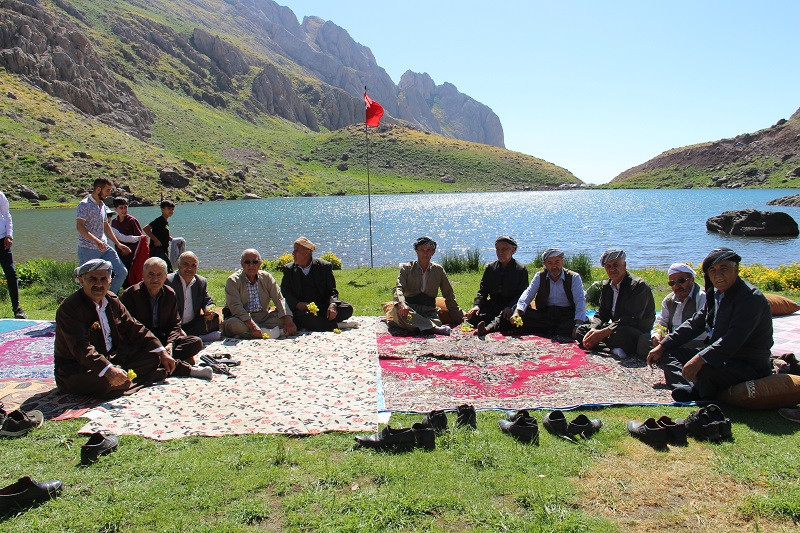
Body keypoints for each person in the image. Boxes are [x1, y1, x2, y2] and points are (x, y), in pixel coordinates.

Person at [647, 247, 773, 402]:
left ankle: (698, 391)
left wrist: (700, 359)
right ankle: (692, 387)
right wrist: (663, 345)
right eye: (712, 270)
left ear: (736, 269)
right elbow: (695, 324)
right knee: (667, 354)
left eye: (723, 268)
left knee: (705, 370)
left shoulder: (750, 299)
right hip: (719, 356)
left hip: (746, 362)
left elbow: (733, 339)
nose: (717, 275)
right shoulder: (716, 294)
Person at [53, 259, 177, 397]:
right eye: (93, 279)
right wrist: (108, 370)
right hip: (79, 368)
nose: (99, 284)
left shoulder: (112, 300)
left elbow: (134, 327)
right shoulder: (70, 308)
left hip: (113, 359)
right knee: (106, 382)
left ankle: (125, 381)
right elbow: (80, 348)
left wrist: (161, 351)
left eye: (103, 279)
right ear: (82, 281)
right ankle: (132, 381)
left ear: (110, 280)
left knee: (154, 357)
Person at [120, 258, 208, 379]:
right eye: (150, 274)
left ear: (165, 276)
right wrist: (157, 348)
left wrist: (170, 344)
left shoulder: (169, 293)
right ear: (143, 275)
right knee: (149, 357)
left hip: (162, 339)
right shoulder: (130, 295)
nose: (155, 279)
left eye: (159, 275)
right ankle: (183, 369)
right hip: (141, 342)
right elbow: (128, 328)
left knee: (195, 342)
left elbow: (174, 323)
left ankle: (161, 363)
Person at [577, 249, 655, 359]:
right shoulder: (607, 286)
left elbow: (631, 318)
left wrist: (603, 333)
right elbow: (602, 313)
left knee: (622, 334)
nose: (612, 269)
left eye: (615, 265)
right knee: (581, 331)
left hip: (634, 329)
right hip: (614, 328)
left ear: (624, 265)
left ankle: (607, 345)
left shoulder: (638, 286)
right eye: (608, 266)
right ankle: (613, 349)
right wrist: (593, 329)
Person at [388, 236, 463, 336]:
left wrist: (457, 315)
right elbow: (398, 288)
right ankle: (433, 328)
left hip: (428, 310)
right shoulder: (407, 268)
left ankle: (419, 326)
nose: (425, 253)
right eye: (422, 250)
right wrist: (401, 303)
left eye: (428, 250)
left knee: (436, 321)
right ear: (416, 251)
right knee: (398, 312)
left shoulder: (438, 270)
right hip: (409, 308)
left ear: (433, 252)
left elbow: (448, 294)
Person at [505, 248, 587, 338]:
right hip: (546, 315)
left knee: (581, 326)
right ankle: (555, 330)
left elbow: (580, 301)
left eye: (557, 262)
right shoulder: (539, 276)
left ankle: (552, 330)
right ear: (545, 265)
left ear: (562, 262)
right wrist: (517, 312)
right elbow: (527, 295)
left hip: (567, 315)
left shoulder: (574, 277)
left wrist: (578, 325)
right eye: (550, 263)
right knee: (518, 311)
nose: (554, 266)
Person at [280, 236, 355, 331]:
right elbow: (285, 292)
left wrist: (333, 305)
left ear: (306, 253)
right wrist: (298, 304)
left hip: (322, 307)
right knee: (303, 318)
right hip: (302, 310)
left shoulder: (324, 266)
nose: (293, 253)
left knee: (347, 308)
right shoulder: (289, 269)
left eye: (296, 250)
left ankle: (319, 323)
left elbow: (332, 290)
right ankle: (337, 325)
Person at [221, 249, 297, 339]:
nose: (251, 265)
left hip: (263, 318)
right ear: (242, 263)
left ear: (260, 263)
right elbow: (236, 307)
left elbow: (279, 299)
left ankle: (254, 333)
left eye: (255, 262)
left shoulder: (267, 277)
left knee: (286, 318)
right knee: (234, 325)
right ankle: (271, 333)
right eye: (247, 262)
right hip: (241, 319)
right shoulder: (233, 281)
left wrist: (287, 319)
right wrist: (251, 325)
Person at [637, 262, 707, 357]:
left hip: (693, 340)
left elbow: (703, 330)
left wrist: (671, 341)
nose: (676, 286)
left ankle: (667, 355)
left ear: (692, 280)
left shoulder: (702, 297)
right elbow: (661, 322)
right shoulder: (668, 300)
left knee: (687, 348)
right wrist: (657, 334)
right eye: (672, 283)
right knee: (644, 340)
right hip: (671, 339)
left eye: (681, 281)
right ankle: (668, 355)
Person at [463, 236, 528, 335]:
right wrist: (477, 306)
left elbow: (522, 294)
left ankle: (487, 329)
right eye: (497, 249)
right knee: (474, 315)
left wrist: (511, 307)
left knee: (505, 318)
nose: (500, 252)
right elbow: (483, 291)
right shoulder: (491, 268)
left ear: (513, 250)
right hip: (494, 304)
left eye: (504, 249)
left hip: (510, 306)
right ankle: (484, 324)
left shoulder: (521, 270)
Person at [76, 178, 131, 294]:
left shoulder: (102, 205)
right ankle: (85, 305)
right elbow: (80, 227)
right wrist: (96, 241)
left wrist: (118, 244)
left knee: (122, 272)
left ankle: (108, 297)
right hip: (88, 249)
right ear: (98, 189)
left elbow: (106, 226)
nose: (109, 193)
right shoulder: (84, 205)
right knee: (87, 280)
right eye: (107, 190)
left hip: (104, 247)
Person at [167, 251, 221, 344]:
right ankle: (195, 338)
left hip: (192, 323)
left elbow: (209, 301)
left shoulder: (201, 282)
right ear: (178, 265)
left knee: (215, 319)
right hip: (173, 325)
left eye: (193, 265)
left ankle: (188, 338)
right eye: (186, 264)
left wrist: (209, 310)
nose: (189, 268)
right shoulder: (168, 281)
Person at [110, 197, 147, 287]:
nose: (124, 210)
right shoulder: (114, 222)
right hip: (119, 254)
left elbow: (140, 239)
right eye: (121, 208)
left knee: (130, 279)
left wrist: (129, 250)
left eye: (125, 207)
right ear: (115, 209)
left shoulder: (132, 221)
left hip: (131, 255)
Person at [0, 190, 26, 318]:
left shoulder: (0, 195)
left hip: (2, 240)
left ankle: (17, 309)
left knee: (10, 273)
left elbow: (7, 215)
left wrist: (9, 235)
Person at [143, 200, 175, 272]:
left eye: (172, 209)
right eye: (169, 209)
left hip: (163, 249)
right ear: (162, 209)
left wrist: (174, 240)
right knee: (164, 269)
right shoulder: (159, 220)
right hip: (157, 249)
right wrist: (155, 240)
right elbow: (146, 229)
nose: (171, 211)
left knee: (166, 268)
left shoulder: (166, 222)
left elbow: (165, 234)